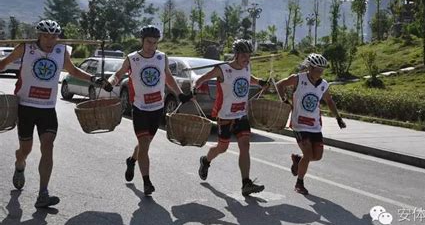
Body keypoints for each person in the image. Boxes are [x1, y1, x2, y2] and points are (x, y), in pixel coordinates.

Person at [0, 20, 108, 208]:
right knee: (25, 149)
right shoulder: (25, 48)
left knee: (47, 146)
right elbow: (4, 64)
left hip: (47, 108)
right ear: (39, 35)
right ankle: (20, 164)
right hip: (25, 107)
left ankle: (43, 193)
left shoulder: (61, 51)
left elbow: (72, 70)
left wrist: (94, 79)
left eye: (54, 36)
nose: (50, 40)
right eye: (46, 36)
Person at [103, 25, 192, 196]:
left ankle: (131, 160)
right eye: (149, 42)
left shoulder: (161, 57)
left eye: (155, 43)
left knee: (144, 145)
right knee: (144, 144)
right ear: (142, 41)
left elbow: (168, 78)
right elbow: (119, 74)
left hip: (157, 109)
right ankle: (146, 182)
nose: (152, 46)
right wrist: (110, 82)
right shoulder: (132, 59)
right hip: (140, 109)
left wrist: (180, 95)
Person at [195, 39, 269, 196]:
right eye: (244, 56)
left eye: (249, 56)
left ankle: (246, 183)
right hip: (225, 116)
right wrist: (195, 87)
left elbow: (248, 77)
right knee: (222, 147)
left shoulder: (246, 67)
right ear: (236, 55)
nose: (247, 59)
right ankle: (206, 161)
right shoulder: (222, 69)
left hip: (241, 115)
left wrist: (259, 82)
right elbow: (201, 80)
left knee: (245, 145)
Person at [275, 53, 346, 195]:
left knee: (317, 156)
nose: (320, 73)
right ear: (310, 68)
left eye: (322, 70)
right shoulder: (298, 79)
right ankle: (299, 183)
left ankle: (298, 160)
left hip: (315, 125)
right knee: (308, 154)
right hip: (299, 124)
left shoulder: (323, 85)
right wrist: (285, 100)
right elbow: (279, 85)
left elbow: (329, 101)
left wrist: (338, 118)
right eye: (317, 69)